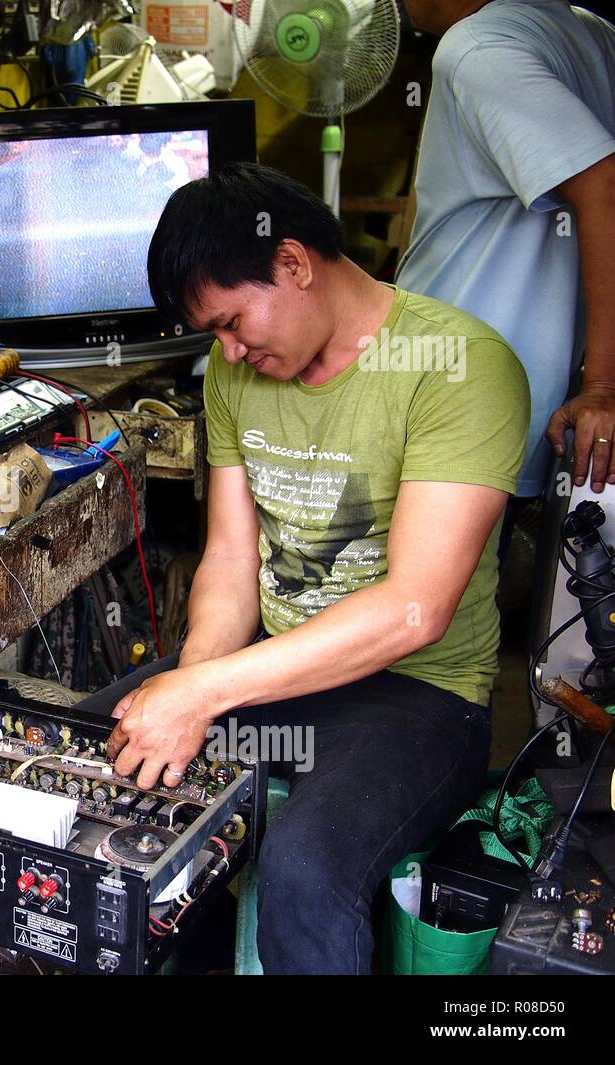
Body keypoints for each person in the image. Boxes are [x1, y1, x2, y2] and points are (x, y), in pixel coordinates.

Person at [87, 162, 529, 974]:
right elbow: (230, 554)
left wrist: (208, 694)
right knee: (87, 754)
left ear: (292, 264)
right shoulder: (233, 371)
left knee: (305, 868)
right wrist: (193, 682)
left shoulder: (459, 365)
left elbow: (413, 611)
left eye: (231, 321)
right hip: (271, 674)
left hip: (419, 695)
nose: (228, 351)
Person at [397, 0, 615, 495]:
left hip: (464, 399)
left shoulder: (476, 49)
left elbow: (604, 188)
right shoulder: (589, 31)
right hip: (514, 392)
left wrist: (604, 387)